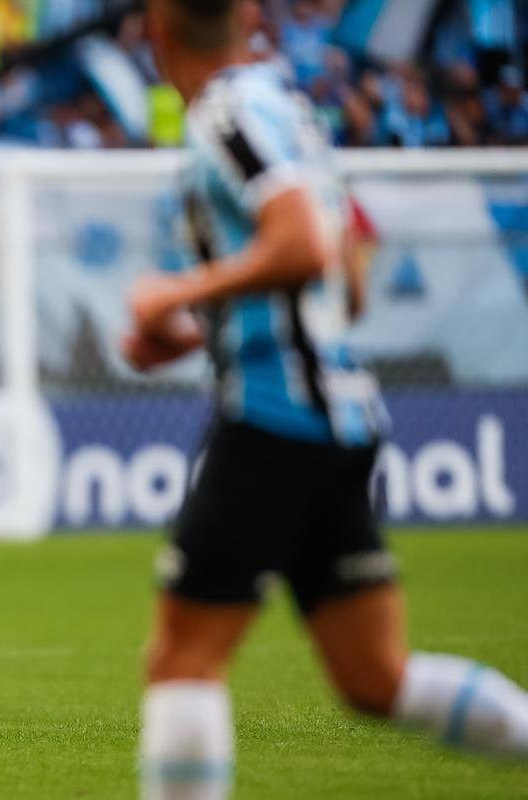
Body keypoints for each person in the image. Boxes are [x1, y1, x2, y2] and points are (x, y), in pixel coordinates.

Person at [124, 2, 528, 798]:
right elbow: (345, 279)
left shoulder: (227, 116)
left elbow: (304, 245)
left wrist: (178, 289)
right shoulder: (288, 109)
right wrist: (201, 328)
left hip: (275, 416)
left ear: (157, 35)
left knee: (182, 658)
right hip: (335, 416)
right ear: (247, 17)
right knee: (375, 678)